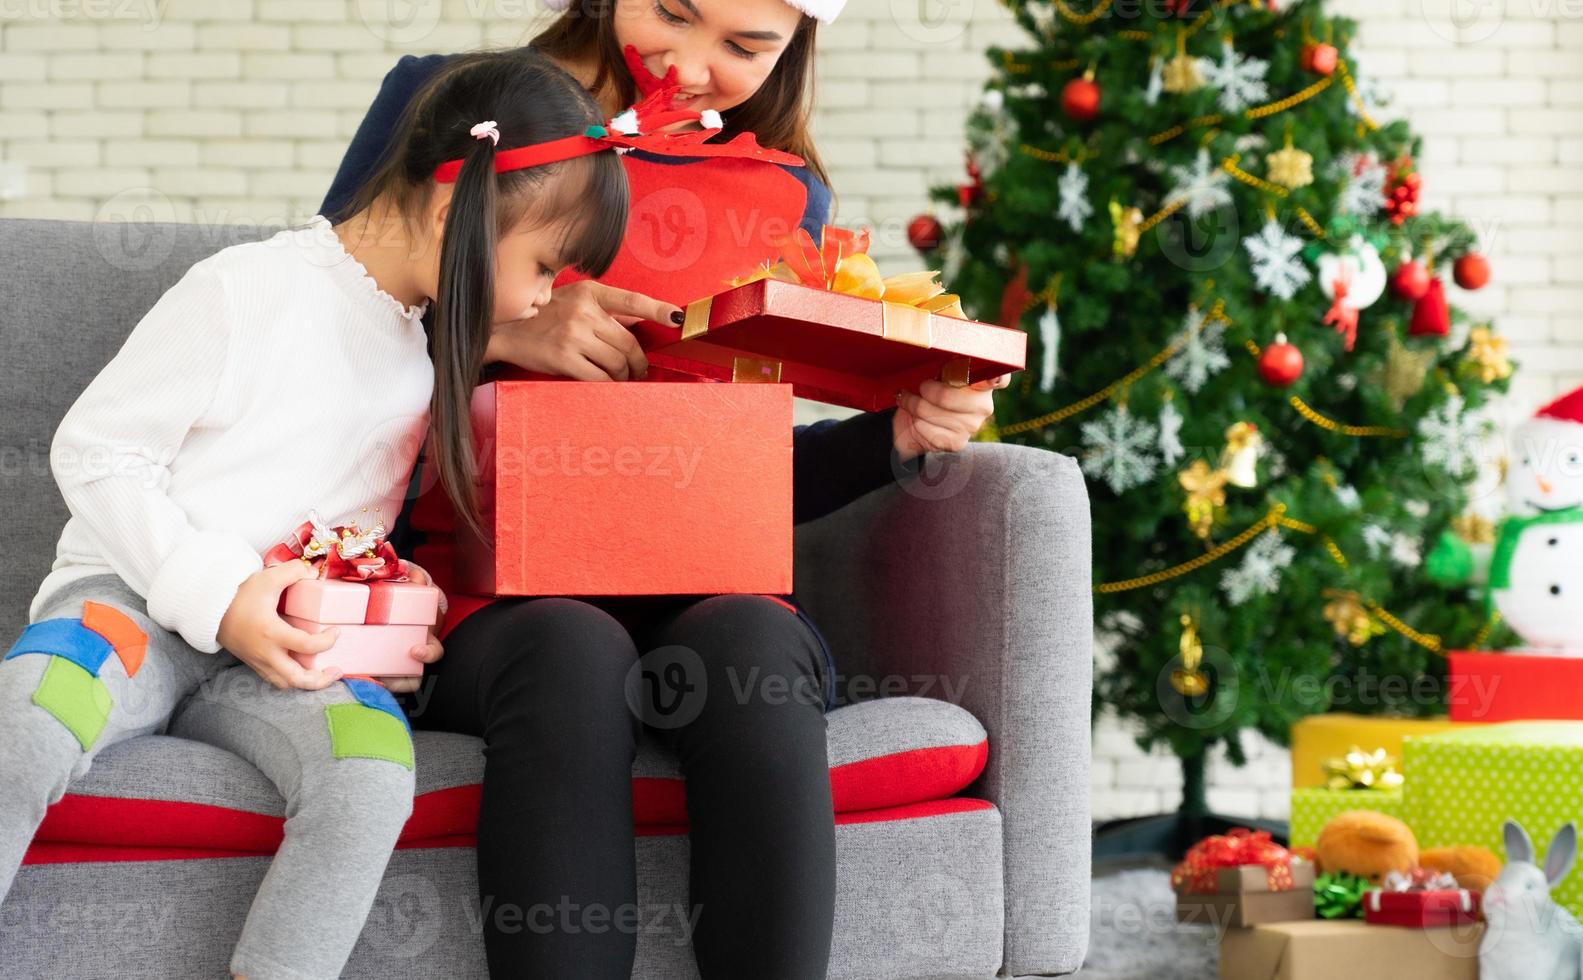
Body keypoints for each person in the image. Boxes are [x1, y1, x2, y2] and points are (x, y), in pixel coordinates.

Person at [323, 2, 1006, 976]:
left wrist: (889, 439)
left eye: (743, 46)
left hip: (704, 589)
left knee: (753, 643)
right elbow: (313, 331)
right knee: (570, 647)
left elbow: (738, 465)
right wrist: (501, 332)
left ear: (793, 48)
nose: (685, 64)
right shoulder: (446, 103)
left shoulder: (780, 191)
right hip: (486, 601)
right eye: (673, 13)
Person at [0, 50, 631, 980]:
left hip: (283, 650)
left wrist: (384, 605)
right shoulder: (243, 290)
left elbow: (343, 532)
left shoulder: (415, 361)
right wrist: (221, 595)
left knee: (372, 768)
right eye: (544, 266)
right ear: (458, 210)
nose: (546, 299)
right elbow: (96, 452)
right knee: (36, 715)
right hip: (132, 599)